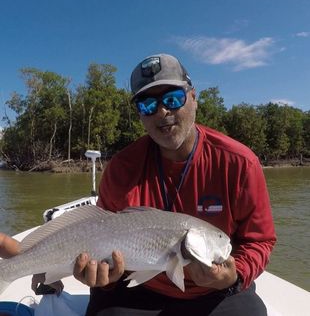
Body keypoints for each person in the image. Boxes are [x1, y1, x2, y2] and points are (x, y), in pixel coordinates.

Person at [73, 53, 277, 316]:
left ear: (193, 98)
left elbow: (259, 241)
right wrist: (105, 277)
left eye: (172, 99)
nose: (162, 112)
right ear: (139, 114)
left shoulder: (239, 163)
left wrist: (235, 276)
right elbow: (99, 231)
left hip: (214, 291)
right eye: (148, 105)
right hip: (140, 287)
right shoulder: (121, 168)